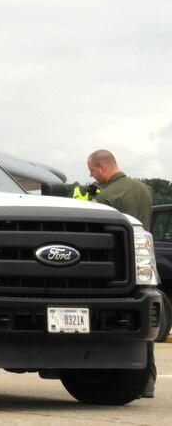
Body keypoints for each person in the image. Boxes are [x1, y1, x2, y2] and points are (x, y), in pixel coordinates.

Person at [86, 149, 156, 399]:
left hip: (115, 267)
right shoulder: (144, 189)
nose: (92, 176)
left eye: (92, 171)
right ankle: (147, 383)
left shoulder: (107, 195)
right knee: (145, 329)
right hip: (142, 263)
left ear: (102, 168)